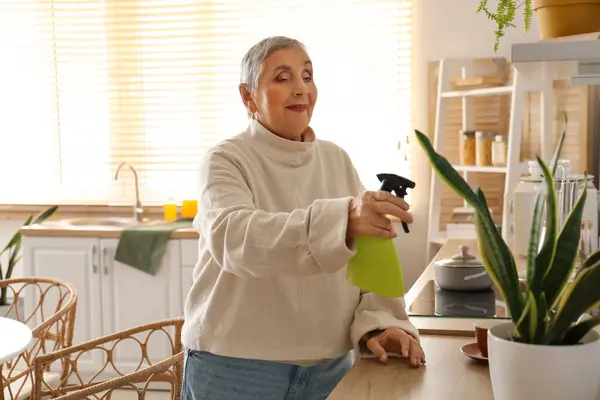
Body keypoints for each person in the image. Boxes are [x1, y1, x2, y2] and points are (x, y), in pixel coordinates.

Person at [181, 36, 425, 400]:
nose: (300, 89)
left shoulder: (336, 159)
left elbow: (371, 255)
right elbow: (236, 239)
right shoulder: (225, 160)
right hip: (235, 369)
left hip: (330, 366)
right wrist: (342, 219)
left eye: (307, 76)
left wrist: (381, 323)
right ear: (248, 97)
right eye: (282, 78)